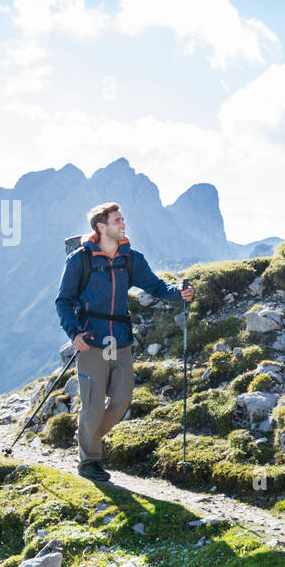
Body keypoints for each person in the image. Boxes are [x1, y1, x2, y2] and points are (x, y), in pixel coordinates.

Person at [54, 201, 195, 482]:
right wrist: (74, 333)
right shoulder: (80, 259)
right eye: (117, 221)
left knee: (121, 401)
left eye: (122, 220)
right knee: (93, 405)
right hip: (91, 341)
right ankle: (89, 460)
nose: (123, 224)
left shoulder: (131, 259)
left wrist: (179, 293)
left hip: (121, 341)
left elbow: (156, 286)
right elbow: (64, 301)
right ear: (101, 227)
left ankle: (86, 437)